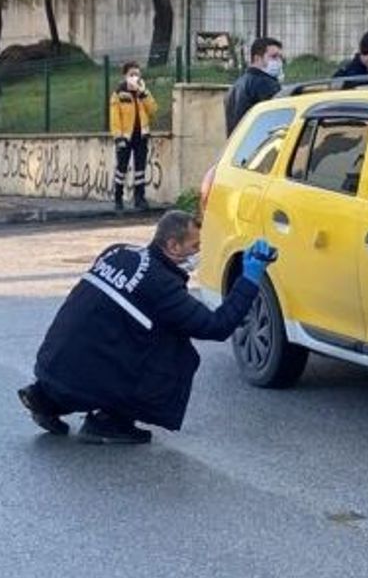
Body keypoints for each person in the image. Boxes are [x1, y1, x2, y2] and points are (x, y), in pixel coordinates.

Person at [18, 211, 277, 444]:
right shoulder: (161, 285)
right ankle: (111, 421)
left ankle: (45, 399)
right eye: (194, 246)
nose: (198, 252)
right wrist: (249, 278)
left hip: (52, 362)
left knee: (129, 330)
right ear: (173, 245)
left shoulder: (118, 251)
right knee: (177, 353)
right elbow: (216, 327)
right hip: (86, 370)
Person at [109, 61, 158, 212]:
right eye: (131, 74)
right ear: (125, 76)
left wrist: (144, 94)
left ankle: (139, 198)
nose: (135, 77)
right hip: (125, 137)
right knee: (121, 169)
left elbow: (153, 110)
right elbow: (114, 117)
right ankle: (118, 198)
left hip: (141, 135)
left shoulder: (142, 92)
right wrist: (118, 137)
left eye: (137, 74)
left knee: (140, 169)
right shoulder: (119, 94)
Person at [224, 37, 284, 136]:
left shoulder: (235, 86)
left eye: (280, 57)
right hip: (261, 146)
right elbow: (279, 122)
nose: (279, 62)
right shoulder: (266, 83)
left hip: (238, 147)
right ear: (257, 59)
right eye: (274, 57)